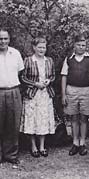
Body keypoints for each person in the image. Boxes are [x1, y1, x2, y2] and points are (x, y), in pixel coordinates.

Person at [61, 33, 89, 156]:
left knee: (84, 117)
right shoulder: (69, 59)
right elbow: (64, 76)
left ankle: (82, 143)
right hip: (71, 90)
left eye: (83, 45)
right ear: (74, 45)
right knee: (74, 117)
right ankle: (75, 143)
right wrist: (63, 94)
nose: (81, 47)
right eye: (79, 45)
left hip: (87, 90)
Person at [20, 37, 55, 158]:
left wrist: (48, 81)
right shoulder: (28, 60)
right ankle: (33, 146)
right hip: (32, 95)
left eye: (44, 47)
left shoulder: (49, 60)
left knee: (43, 120)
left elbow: (53, 76)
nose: (42, 50)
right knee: (32, 120)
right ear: (34, 47)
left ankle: (42, 146)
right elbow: (22, 77)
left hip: (45, 94)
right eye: (39, 47)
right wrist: (35, 84)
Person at [0, 28, 24, 164]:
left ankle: (11, 155)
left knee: (13, 124)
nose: (3, 41)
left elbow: (20, 72)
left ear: (9, 39)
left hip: (14, 91)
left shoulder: (15, 53)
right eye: (0, 39)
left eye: (5, 38)